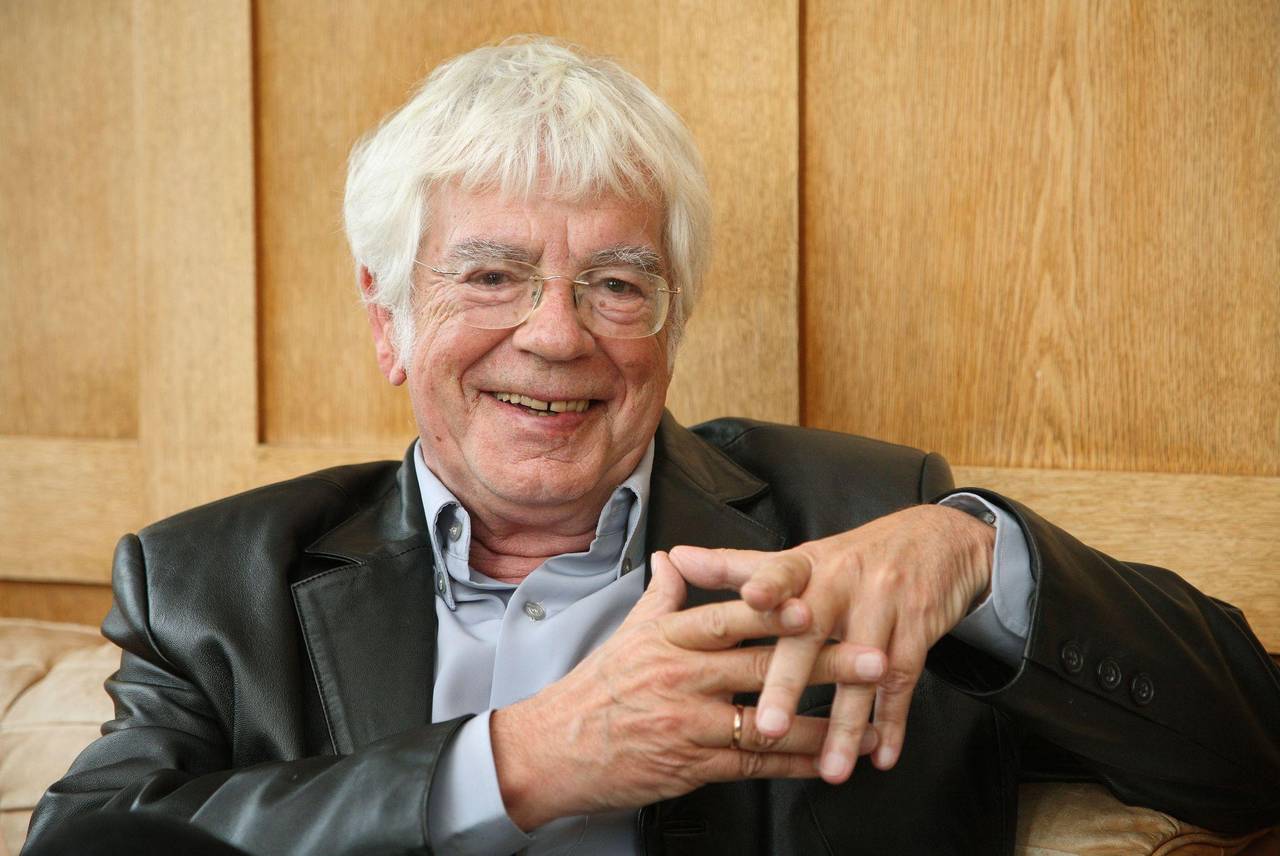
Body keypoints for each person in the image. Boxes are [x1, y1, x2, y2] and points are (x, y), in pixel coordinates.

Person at [25, 37, 1279, 856]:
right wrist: (523, 760)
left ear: (672, 319)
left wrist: (979, 555)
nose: (555, 333)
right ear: (387, 318)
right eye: (492, 275)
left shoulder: (855, 518)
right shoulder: (211, 584)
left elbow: (1253, 755)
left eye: (616, 283)